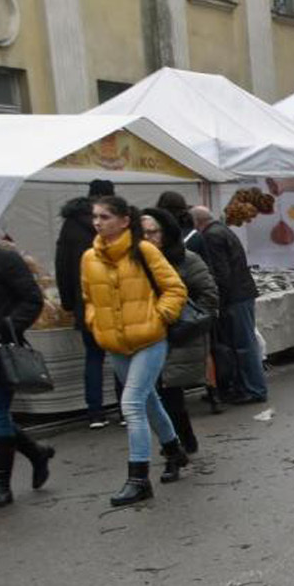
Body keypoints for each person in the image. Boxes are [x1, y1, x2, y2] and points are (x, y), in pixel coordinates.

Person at [82, 196, 188, 505]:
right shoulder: (88, 257)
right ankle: (174, 451)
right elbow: (88, 297)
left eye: (105, 216)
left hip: (149, 339)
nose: (98, 222)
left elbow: (175, 288)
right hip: (115, 343)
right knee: (149, 401)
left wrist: (160, 317)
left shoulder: (144, 250)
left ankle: (138, 478)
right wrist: (95, 322)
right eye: (95, 216)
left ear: (124, 220)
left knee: (131, 404)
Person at [140, 207, 218, 470]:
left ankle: (178, 444)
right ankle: (176, 442)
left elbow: (209, 295)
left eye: (152, 232)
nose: (147, 238)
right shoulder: (134, 264)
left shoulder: (187, 260)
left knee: (169, 391)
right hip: (143, 337)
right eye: (142, 233)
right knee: (153, 395)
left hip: (175, 335)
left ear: (166, 233)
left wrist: (187, 324)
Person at [0, 202, 50, 509]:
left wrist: (4, 328)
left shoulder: (4, 259)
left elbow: (32, 299)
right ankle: (36, 453)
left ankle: (1, 486)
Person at [184, 204, 267, 404]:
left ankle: (254, 389)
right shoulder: (222, 230)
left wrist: (216, 303)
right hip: (241, 293)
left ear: (196, 222)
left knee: (242, 345)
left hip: (234, 298)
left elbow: (221, 273)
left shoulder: (211, 236)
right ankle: (247, 387)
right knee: (243, 344)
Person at [55, 185, 111, 427]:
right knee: (122, 353)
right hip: (113, 299)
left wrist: (68, 302)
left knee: (93, 357)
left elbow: (62, 266)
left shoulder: (70, 226)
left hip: (85, 301)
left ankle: (95, 412)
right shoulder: (114, 222)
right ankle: (127, 408)